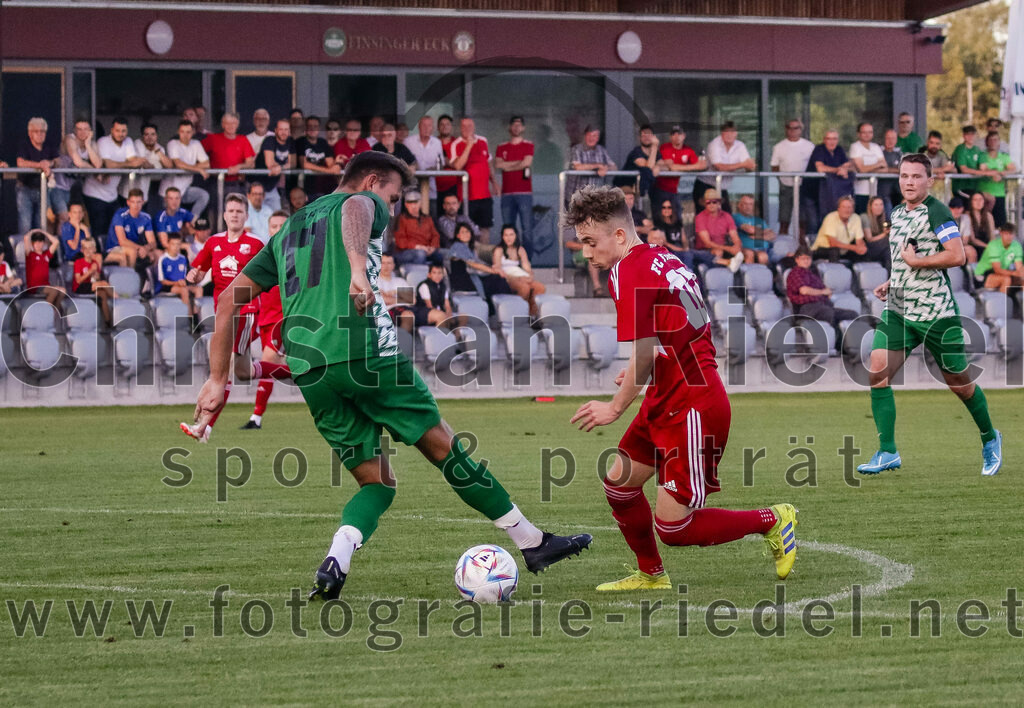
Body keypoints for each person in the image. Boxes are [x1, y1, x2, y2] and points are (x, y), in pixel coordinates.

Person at [188, 150, 594, 598]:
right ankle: (532, 543)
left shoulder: (290, 230)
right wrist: (360, 272)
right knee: (444, 447)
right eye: (394, 197)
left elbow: (227, 300)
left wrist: (216, 378)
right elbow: (359, 209)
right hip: (367, 353)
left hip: (312, 370)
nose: (393, 208)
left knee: (377, 484)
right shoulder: (363, 201)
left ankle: (336, 559)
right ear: (373, 180)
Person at [565, 184, 798, 591]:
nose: (586, 252)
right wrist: (656, 362)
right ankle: (651, 575)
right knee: (620, 484)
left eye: (590, 242)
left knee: (674, 528)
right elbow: (680, 332)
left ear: (618, 235)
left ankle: (774, 519)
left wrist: (615, 407)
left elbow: (642, 352)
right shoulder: (661, 255)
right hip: (668, 395)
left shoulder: (628, 269)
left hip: (693, 406)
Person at [858, 153, 1002, 477]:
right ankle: (887, 451)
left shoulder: (937, 211)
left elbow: (957, 255)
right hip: (899, 310)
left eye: (916, 177)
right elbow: (904, 259)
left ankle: (990, 437)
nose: (909, 182)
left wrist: (916, 263)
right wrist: (892, 281)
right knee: (877, 371)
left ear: (929, 180)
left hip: (937, 313)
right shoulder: (895, 213)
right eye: (904, 176)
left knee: (960, 384)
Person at [180, 193, 268, 443]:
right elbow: (198, 270)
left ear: (246, 216)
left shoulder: (255, 244)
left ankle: (205, 428)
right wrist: (194, 275)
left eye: (239, 211)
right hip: (222, 314)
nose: (235, 215)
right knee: (242, 371)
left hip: (246, 312)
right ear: (224, 215)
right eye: (231, 211)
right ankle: (288, 370)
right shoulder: (213, 243)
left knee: (225, 367)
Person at [242, 210, 291, 431]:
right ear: (268, 229)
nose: (278, 231)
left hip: (284, 321)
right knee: (279, 367)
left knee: (267, 362)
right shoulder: (263, 257)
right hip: (264, 320)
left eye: (283, 226)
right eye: (274, 227)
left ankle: (256, 417)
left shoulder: (297, 259)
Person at [83, 117, 145, 240]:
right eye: (117, 130)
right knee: (98, 230)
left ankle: (113, 255)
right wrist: (128, 164)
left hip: (112, 195)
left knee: (116, 228)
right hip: (94, 193)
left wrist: (123, 164)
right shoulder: (103, 142)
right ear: (112, 130)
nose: (120, 134)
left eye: (123, 131)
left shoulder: (128, 142)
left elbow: (136, 161)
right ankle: (100, 257)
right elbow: (108, 164)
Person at [449, 117, 498, 242]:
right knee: (466, 229)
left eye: (469, 126)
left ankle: (482, 259)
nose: (467, 129)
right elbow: (458, 166)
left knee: (485, 228)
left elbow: (489, 164)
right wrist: (469, 146)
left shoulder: (483, 141)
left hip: (485, 195)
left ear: (474, 127)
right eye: (464, 126)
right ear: (460, 128)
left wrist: (495, 183)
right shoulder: (456, 144)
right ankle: (469, 259)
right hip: (466, 196)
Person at [786, 247, 859, 330]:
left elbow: (824, 290)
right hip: (806, 308)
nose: (806, 261)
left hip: (821, 306)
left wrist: (827, 293)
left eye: (808, 258)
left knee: (852, 315)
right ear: (797, 260)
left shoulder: (812, 273)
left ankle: (848, 340)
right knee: (827, 313)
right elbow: (804, 290)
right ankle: (833, 340)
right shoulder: (795, 273)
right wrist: (823, 292)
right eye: (803, 259)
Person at [16, 117, 64, 234]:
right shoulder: (24, 145)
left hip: (43, 190)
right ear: (30, 133)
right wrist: (40, 165)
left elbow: (59, 161)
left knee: (42, 224)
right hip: (25, 189)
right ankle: (24, 251)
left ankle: (41, 252)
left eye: (42, 131)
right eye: (36, 131)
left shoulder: (49, 144)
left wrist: (50, 163)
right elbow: (20, 162)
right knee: (25, 224)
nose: (40, 134)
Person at [495, 116, 535, 255]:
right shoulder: (502, 147)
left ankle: (527, 261)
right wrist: (518, 164)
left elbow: (526, 163)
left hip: (524, 193)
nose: (516, 127)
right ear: (509, 127)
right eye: (514, 125)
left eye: (519, 125)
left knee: (527, 228)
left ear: (523, 128)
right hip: (507, 193)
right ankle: (509, 258)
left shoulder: (528, 145)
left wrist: (509, 166)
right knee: (508, 229)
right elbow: (499, 165)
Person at [695, 121, 755, 212]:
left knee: (727, 217)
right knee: (705, 217)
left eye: (732, 132)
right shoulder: (714, 144)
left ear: (736, 134)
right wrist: (743, 164)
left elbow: (750, 167)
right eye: (726, 132)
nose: (729, 135)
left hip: (722, 187)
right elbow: (719, 167)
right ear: (721, 133)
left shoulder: (740, 146)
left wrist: (750, 166)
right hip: (705, 185)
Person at [770, 118, 815, 239]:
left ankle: (802, 246)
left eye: (796, 128)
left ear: (801, 130)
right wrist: (781, 179)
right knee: (784, 218)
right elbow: (774, 166)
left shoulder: (809, 146)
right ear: (786, 129)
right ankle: (783, 246)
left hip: (804, 186)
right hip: (786, 186)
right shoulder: (779, 147)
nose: (793, 130)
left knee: (803, 219)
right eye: (790, 128)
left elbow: (814, 166)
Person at [162, 119, 211, 220]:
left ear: (193, 132)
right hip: (169, 191)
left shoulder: (196, 144)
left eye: (188, 132)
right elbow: (178, 164)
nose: (185, 135)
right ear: (178, 132)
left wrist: (193, 167)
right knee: (171, 222)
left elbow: (207, 163)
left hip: (185, 189)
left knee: (203, 195)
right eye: (182, 132)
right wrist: (199, 169)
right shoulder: (173, 143)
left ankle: (192, 221)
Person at [492, 224, 545, 317]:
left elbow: (527, 267)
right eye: (506, 235)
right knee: (524, 288)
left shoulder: (520, 249)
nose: (509, 238)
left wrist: (529, 276)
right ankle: (517, 313)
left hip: (520, 276)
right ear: (502, 236)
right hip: (506, 277)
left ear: (516, 235)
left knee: (540, 287)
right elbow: (497, 269)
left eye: (511, 235)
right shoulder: (499, 250)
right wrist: (517, 279)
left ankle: (531, 314)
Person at [653, 125, 705, 219]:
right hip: (661, 188)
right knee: (660, 216)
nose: (677, 136)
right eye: (674, 134)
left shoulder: (688, 150)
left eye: (679, 134)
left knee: (677, 216)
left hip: (676, 190)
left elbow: (702, 166)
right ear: (670, 137)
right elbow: (672, 167)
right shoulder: (665, 147)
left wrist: (682, 167)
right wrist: (692, 167)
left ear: (684, 135)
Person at [807, 129, 855, 229]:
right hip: (811, 192)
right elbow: (820, 168)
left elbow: (851, 166)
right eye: (829, 139)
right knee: (813, 223)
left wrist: (845, 169)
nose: (832, 141)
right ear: (824, 140)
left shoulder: (839, 150)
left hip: (828, 195)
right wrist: (839, 169)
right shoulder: (819, 149)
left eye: (834, 139)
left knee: (829, 222)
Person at [202, 112, 256, 196]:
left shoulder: (243, 140)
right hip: (216, 182)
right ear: (223, 125)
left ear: (237, 125)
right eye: (228, 123)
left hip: (237, 183)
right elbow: (197, 152)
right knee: (216, 208)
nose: (231, 126)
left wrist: (238, 167)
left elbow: (251, 163)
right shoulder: (213, 139)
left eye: (233, 123)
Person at [449, 223, 504, 302]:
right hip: (462, 282)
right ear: (458, 235)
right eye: (462, 232)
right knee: (495, 279)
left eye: (467, 231)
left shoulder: (471, 248)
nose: (466, 234)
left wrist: (493, 269)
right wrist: (493, 271)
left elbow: (479, 262)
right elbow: (474, 264)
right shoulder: (457, 246)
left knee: (497, 279)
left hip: (472, 278)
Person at [693, 189, 744, 272]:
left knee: (746, 253)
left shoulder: (726, 216)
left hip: (724, 247)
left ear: (719, 203)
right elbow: (707, 243)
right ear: (704, 204)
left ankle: (744, 281)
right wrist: (729, 249)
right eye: (708, 202)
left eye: (714, 202)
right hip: (706, 250)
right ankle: (718, 280)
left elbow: (735, 236)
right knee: (718, 252)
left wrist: (737, 246)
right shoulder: (700, 217)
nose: (711, 204)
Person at [105, 188, 157, 270]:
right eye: (133, 202)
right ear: (128, 202)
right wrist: (140, 248)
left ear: (143, 202)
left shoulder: (146, 217)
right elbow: (122, 241)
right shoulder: (120, 215)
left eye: (139, 202)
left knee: (158, 253)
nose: (136, 205)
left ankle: (152, 281)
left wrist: (146, 249)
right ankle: (129, 281)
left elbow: (153, 242)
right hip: (115, 248)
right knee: (132, 252)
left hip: (136, 247)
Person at [403, 115, 445, 211]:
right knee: (410, 219)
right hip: (411, 187)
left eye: (429, 125)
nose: (426, 128)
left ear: (433, 128)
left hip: (431, 188)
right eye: (424, 125)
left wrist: (433, 169)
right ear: (418, 127)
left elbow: (441, 164)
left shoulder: (437, 142)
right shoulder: (408, 142)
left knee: (431, 217)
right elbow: (402, 162)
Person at [977, 131, 1016, 227]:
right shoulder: (982, 155)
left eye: (995, 140)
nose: (993, 142)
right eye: (990, 140)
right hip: (984, 195)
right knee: (984, 223)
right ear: (986, 142)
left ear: (999, 142)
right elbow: (983, 168)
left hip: (999, 194)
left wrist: (1002, 174)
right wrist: (994, 173)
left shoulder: (1004, 157)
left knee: (1000, 224)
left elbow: (1013, 169)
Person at [296, 115, 341, 199]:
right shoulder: (300, 142)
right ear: (305, 128)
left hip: (322, 189)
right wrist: (328, 170)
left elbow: (330, 163)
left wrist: (336, 165)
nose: (312, 129)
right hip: (304, 188)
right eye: (310, 126)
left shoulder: (323, 143)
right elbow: (304, 164)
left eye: (315, 126)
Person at [811, 195, 866, 263]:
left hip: (844, 249)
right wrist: (854, 248)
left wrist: (860, 248)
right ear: (838, 209)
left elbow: (859, 241)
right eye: (844, 207)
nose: (846, 210)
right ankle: (835, 272)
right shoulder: (830, 218)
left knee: (863, 250)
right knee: (834, 250)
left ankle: (859, 272)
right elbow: (833, 243)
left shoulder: (856, 218)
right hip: (823, 249)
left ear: (853, 209)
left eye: (849, 207)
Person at [393, 191, 442, 266]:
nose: (413, 206)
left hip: (426, 249)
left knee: (440, 255)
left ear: (420, 204)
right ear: (406, 205)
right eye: (410, 203)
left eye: (415, 203)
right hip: (405, 252)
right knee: (420, 254)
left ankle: (438, 276)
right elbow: (400, 240)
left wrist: (433, 247)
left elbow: (435, 235)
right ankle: (419, 276)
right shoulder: (401, 219)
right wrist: (417, 247)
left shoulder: (427, 218)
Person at [567, 125, 616, 199]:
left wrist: (605, 168)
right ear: (584, 136)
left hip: (595, 197)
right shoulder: (577, 149)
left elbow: (614, 168)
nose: (591, 138)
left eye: (595, 136)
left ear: (598, 138)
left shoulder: (601, 150)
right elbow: (577, 167)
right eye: (589, 135)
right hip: (576, 197)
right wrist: (598, 166)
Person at [134, 123, 173, 214]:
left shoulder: (159, 148)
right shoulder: (137, 144)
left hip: (154, 188)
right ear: (142, 136)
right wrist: (158, 165)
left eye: (152, 134)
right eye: (146, 134)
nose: (149, 137)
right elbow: (145, 165)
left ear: (156, 136)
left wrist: (158, 152)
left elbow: (169, 165)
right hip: (136, 189)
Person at [158, 233, 202, 314]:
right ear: (168, 244)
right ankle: (188, 318)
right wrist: (177, 283)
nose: (176, 247)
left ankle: (197, 316)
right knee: (184, 290)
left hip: (181, 284)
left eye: (178, 244)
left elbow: (185, 277)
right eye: (173, 244)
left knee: (199, 289)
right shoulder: (163, 259)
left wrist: (186, 281)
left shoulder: (183, 258)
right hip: (168, 286)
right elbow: (162, 281)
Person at [71, 238, 112, 325]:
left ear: (94, 249)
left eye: (90, 248)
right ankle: (118, 298)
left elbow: (96, 280)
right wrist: (90, 271)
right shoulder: (78, 262)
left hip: (90, 286)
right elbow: (78, 281)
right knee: (104, 284)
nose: (88, 251)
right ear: (82, 250)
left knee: (103, 294)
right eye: (85, 248)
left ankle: (108, 322)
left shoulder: (94, 263)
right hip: (79, 287)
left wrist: (96, 275)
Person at [257, 119, 295, 211]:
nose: (284, 132)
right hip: (257, 184)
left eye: (286, 130)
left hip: (272, 186)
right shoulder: (269, 140)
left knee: (276, 213)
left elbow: (293, 163)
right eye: (281, 129)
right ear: (275, 130)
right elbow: (270, 163)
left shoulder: (291, 142)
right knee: (256, 214)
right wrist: (279, 167)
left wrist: (280, 168)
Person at [975, 222, 1023, 293]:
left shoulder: (1016, 245)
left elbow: (1019, 267)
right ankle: (1002, 303)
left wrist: (1021, 273)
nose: (1009, 237)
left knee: (1022, 280)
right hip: (984, 275)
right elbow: (997, 269)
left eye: (1011, 234)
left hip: (1005, 273)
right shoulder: (993, 245)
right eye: (1006, 234)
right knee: (1006, 279)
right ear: (1001, 233)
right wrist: (1015, 273)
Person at [617, 124, 660, 202]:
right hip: (625, 188)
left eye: (649, 135)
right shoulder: (636, 152)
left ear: (654, 137)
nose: (646, 138)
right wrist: (654, 147)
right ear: (639, 138)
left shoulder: (657, 153)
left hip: (641, 190)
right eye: (644, 136)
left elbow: (666, 166)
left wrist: (658, 166)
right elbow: (648, 167)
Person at [849, 122, 886, 213]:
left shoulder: (876, 147)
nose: (867, 134)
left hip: (874, 191)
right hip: (859, 192)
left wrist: (869, 169)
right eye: (864, 132)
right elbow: (861, 169)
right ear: (858, 134)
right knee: (862, 218)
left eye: (870, 132)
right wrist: (878, 165)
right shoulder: (855, 147)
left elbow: (885, 168)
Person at [23, 230, 65, 306]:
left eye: (40, 242)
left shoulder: (46, 254)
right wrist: (35, 230)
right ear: (32, 244)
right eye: (36, 242)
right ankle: (46, 312)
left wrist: (43, 232)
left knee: (63, 290)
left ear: (44, 243)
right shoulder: (30, 255)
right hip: (34, 287)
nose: (38, 244)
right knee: (54, 291)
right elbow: (26, 237)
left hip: (45, 285)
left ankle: (55, 312)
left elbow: (56, 242)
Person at [377, 252, 415, 333]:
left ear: (393, 265)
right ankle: (400, 343)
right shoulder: (375, 281)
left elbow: (413, 300)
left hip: (404, 309)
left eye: (389, 263)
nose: (386, 266)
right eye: (383, 263)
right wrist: (403, 298)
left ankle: (402, 342)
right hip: (385, 311)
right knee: (408, 315)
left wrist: (394, 292)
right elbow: (382, 300)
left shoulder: (400, 281)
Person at [650, 197, 692, 269]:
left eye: (669, 207)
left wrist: (686, 247)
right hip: (669, 252)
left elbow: (684, 239)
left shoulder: (678, 223)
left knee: (700, 254)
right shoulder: (658, 224)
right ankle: (689, 273)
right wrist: (681, 250)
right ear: (661, 209)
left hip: (681, 249)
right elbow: (665, 243)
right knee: (687, 255)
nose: (666, 210)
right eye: (664, 207)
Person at [414, 263, 456, 328]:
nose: (437, 275)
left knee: (463, 318)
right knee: (442, 316)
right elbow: (429, 306)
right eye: (434, 273)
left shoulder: (443, 286)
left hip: (441, 311)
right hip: (425, 313)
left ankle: (456, 336)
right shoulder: (424, 286)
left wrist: (449, 315)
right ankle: (439, 336)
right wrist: (445, 316)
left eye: (440, 273)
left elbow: (447, 305)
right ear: (429, 275)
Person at [919, 130, 954, 202]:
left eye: (937, 143)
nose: (934, 146)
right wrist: (943, 169)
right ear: (927, 143)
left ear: (940, 145)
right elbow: (921, 169)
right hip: (922, 193)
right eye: (932, 143)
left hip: (939, 194)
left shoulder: (942, 154)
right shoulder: (921, 153)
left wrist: (945, 171)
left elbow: (952, 169)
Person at [951, 125, 985, 199]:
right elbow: (964, 169)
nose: (970, 137)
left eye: (972, 134)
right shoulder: (960, 149)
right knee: (972, 203)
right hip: (961, 187)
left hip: (975, 186)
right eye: (968, 134)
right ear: (964, 136)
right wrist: (981, 173)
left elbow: (983, 167)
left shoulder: (977, 150)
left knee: (989, 199)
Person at [860, 195, 892, 269]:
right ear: (870, 207)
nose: (879, 207)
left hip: (881, 249)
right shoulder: (864, 217)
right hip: (867, 249)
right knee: (887, 241)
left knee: (888, 251)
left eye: (881, 204)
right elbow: (869, 239)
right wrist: (885, 234)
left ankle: (889, 271)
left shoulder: (883, 218)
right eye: (876, 205)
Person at [880, 128, 903, 209]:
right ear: (884, 139)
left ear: (896, 140)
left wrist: (888, 170)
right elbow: (880, 169)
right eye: (888, 138)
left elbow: (903, 169)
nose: (890, 141)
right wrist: (896, 170)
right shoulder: (879, 152)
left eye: (893, 138)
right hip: (883, 194)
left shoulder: (899, 154)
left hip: (898, 193)